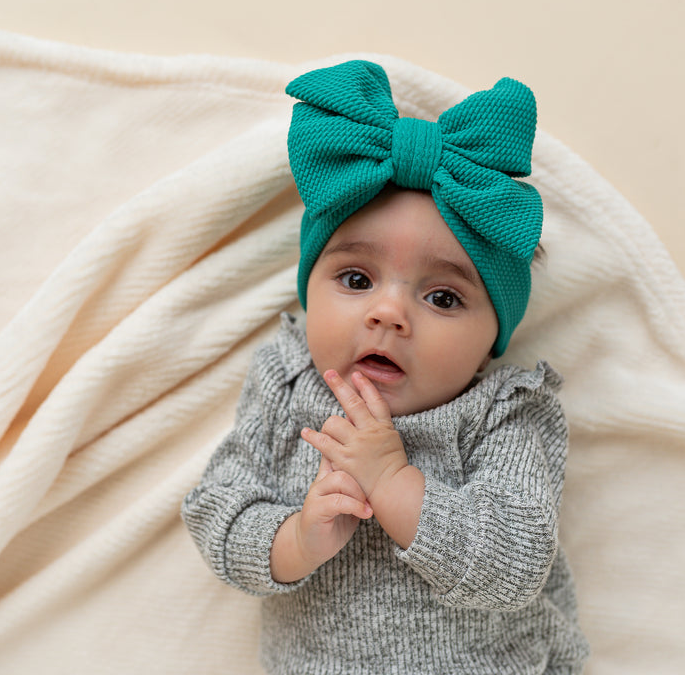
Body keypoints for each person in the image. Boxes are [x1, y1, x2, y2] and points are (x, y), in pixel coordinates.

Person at [182, 60, 590, 674]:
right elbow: (217, 506)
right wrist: (294, 540)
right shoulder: (286, 379)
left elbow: (517, 563)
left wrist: (396, 484)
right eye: (356, 279)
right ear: (309, 292)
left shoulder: (506, 413)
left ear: (492, 340)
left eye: (443, 298)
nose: (390, 313)